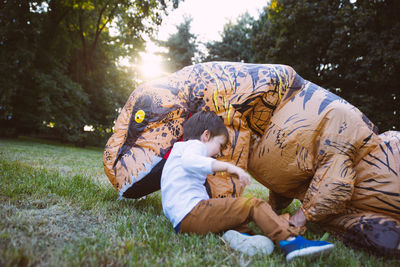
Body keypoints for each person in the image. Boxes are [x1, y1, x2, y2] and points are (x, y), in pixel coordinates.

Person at [161, 110, 334, 261]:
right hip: (192, 214)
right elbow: (190, 161)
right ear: (206, 136)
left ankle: (242, 236)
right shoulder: (193, 146)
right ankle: (291, 243)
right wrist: (230, 166)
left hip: (183, 223)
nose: (219, 153)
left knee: (233, 212)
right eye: (219, 145)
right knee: (252, 204)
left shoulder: (178, 151)